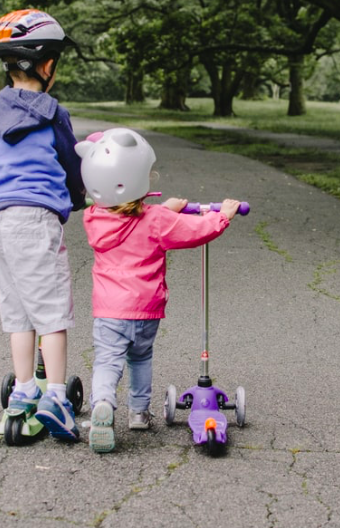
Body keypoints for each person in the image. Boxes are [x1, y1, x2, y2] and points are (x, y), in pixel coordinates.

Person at [75, 128, 241, 453]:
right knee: (141, 358)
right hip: (146, 309)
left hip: (109, 309)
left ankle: (103, 404)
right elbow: (194, 231)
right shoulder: (156, 220)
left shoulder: (94, 218)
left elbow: (129, 216)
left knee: (108, 362)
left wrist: (165, 208)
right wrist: (223, 216)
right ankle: (138, 413)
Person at [0, 9, 85, 442]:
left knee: (18, 313)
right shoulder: (52, 113)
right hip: (35, 221)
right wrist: (81, 199)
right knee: (52, 312)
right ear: (46, 66)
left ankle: (23, 390)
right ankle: (57, 396)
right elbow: (72, 163)